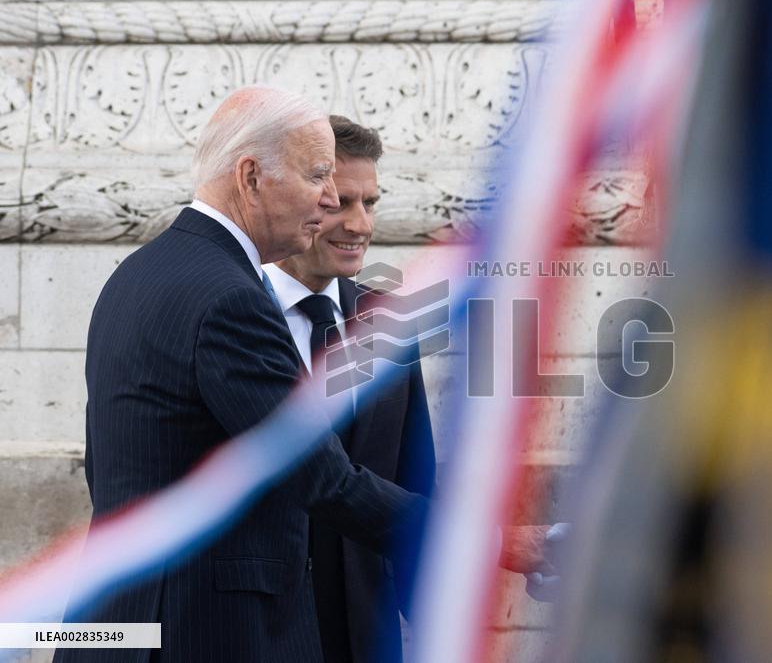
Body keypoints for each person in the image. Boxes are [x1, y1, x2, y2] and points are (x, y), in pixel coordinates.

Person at [57, 86, 549, 663]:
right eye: (318, 177)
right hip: (206, 633)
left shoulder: (136, 276)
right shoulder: (229, 300)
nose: (330, 199)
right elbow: (323, 479)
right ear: (251, 177)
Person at [263, 115, 432, 663]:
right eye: (340, 203)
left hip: (367, 634)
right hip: (255, 631)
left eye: (371, 203)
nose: (359, 225)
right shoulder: (227, 312)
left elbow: (412, 472)